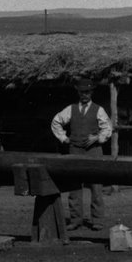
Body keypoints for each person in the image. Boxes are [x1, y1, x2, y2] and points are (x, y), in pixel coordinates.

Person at [50, 81, 113, 232]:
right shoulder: (70, 109)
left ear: (91, 93)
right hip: (75, 151)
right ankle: (75, 220)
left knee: (96, 187)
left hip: (94, 152)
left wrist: (97, 138)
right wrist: (64, 139)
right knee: (74, 186)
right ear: (78, 93)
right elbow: (56, 122)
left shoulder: (99, 110)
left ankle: (97, 220)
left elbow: (108, 128)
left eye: (87, 92)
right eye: (82, 92)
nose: (84, 95)